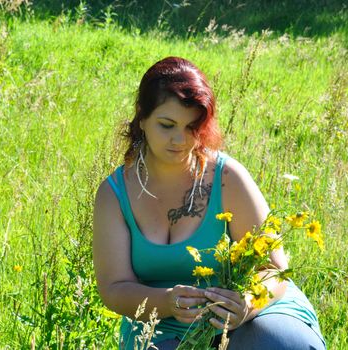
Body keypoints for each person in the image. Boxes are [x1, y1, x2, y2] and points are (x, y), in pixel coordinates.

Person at [92, 56, 326, 350]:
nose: (180, 139)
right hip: (160, 326)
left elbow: (274, 268)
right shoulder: (114, 194)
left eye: (192, 127)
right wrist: (166, 302)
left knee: (279, 341)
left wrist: (247, 304)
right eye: (167, 125)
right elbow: (114, 289)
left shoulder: (226, 177)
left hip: (254, 315)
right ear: (142, 119)